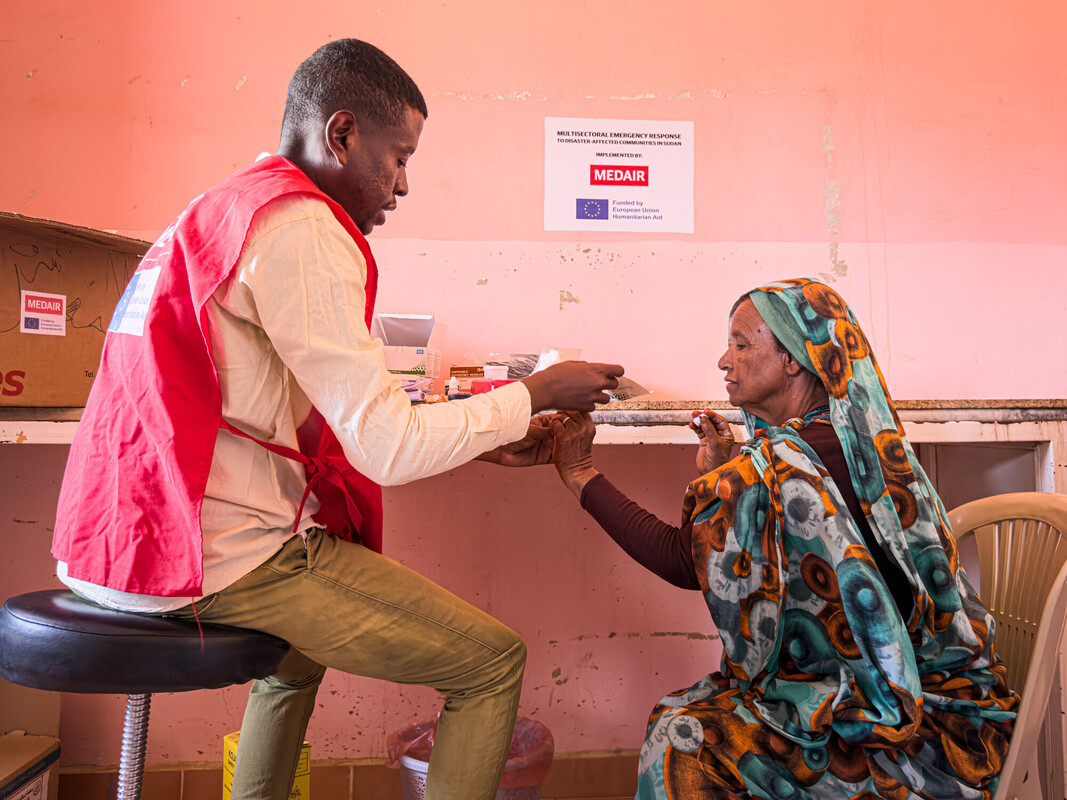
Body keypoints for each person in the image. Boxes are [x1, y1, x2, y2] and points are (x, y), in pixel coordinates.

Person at [51, 39, 622, 800]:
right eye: (398, 156)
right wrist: (539, 390)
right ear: (342, 133)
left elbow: (316, 397)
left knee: (297, 656)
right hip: (206, 554)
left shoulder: (224, 207)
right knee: (490, 662)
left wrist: (482, 440)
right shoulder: (302, 225)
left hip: (116, 539)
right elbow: (382, 446)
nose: (404, 184)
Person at [547, 278, 1017, 799]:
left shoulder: (774, 466)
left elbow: (685, 561)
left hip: (910, 736)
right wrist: (727, 480)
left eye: (741, 344)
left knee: (680, 739)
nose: (724, 361)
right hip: (958, 701)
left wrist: (581, 473)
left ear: (794, 359)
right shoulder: (869, 442)